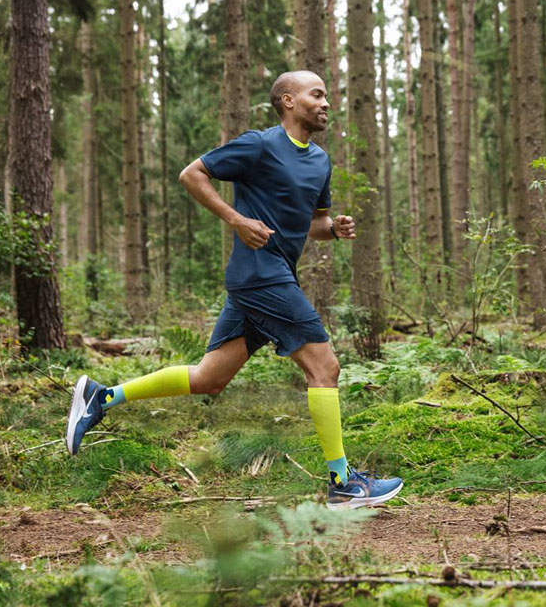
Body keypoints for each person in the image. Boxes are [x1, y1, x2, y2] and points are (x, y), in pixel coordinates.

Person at [65, 70, 403, 510]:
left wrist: (333, 230)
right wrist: (235, 219)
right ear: (287, 100)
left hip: (269, 276)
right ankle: (343, 482)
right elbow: (192, 174)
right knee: (325, 366)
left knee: (210, 378)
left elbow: (312, 223)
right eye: (316, 94)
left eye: (327, 96)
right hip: (260, 275)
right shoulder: (259, 145)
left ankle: (103, 396)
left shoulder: (320, 160)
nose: (325, 103)